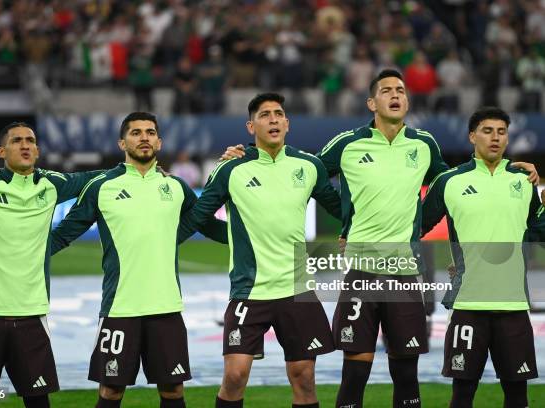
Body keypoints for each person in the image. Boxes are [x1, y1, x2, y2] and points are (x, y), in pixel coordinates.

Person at [220, 70, 539, 408]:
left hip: (404, 276)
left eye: (400, 90)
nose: (395, 95)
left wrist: (510, 177)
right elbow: (302, 171)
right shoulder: (347, 144)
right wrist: (251, 159)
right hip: (361, 274)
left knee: (406, 374)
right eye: (386, 90)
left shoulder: (424, 144)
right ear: (373, 102)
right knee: (355, 373)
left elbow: (452, 187)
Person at [50, 112, 228, 408]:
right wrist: (5, 258)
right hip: (120, 307)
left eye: (150, 132)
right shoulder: (101, 187)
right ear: (122, 142)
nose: (143, 137)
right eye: (135, 132)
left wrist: (258, 235)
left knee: (173, 391)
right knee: (111, 392)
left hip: (167, 307)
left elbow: (212, 228)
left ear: (159, 142)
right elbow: (62, 235)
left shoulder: (177, 187)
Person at [184, 93, 344, 408]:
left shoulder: (308, 166)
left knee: (305, 379)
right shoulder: (231, 169)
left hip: (297, 288)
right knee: (235, 375)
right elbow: (198, 218)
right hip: (250, 289)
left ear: (287, 123)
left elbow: (340, 208)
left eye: (278, 113)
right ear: (250, 125)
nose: (272, 119)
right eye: (264, 114)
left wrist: (352, 231)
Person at [0, 122, 102, 408]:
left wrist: (135, 172)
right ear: (2, 151)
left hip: (32, 316)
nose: (25, 145)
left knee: (38, 403)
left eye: (30, 140)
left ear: (37, 150)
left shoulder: (51, 184)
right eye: (16, 140)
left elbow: (96, 177)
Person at [422, 107, 544, 408]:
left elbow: (538, 234)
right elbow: (416, 227)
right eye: (488, 131)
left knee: (517, 396)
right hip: (468, 305)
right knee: (462, 394)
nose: (495, 137)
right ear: (472, 136)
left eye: (501, 132)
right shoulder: (449, 181)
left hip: (513, 305)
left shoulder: (524, 182)